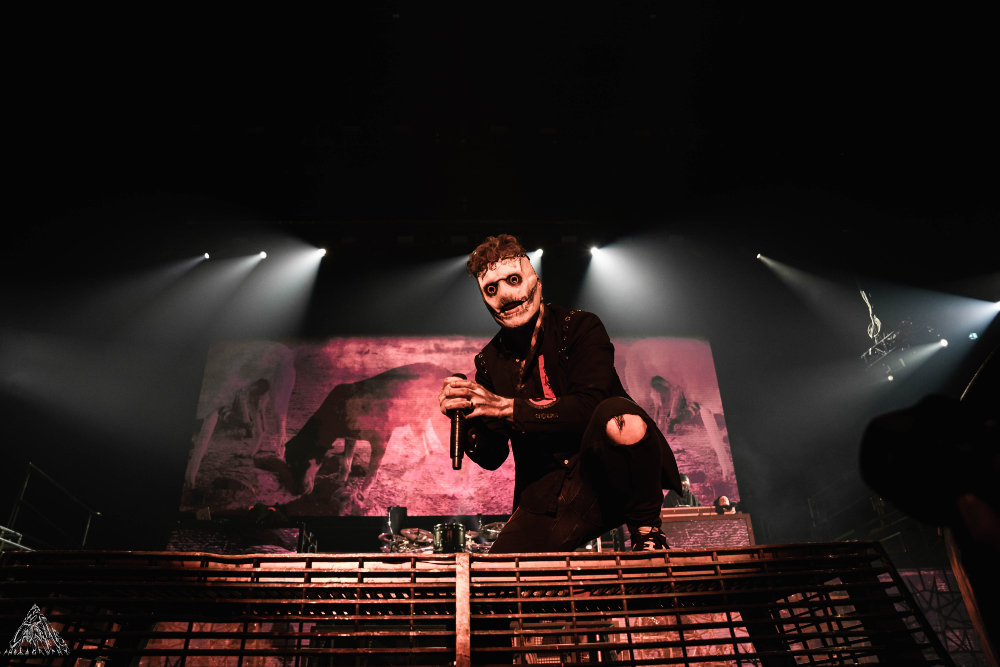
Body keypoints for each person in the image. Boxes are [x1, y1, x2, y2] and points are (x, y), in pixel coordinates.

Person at [437, 235, 682, 551]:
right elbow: (493, 456)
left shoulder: (580, 327)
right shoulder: (488, 361)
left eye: (513, 280)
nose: (506, 295)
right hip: (548, 495)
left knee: (618, 415)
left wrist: (505, 407)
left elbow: (589, 405)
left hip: (609, 474)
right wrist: (466, 417)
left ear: (536, 282)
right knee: (497, 576)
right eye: (492, 289)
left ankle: (646, 533)